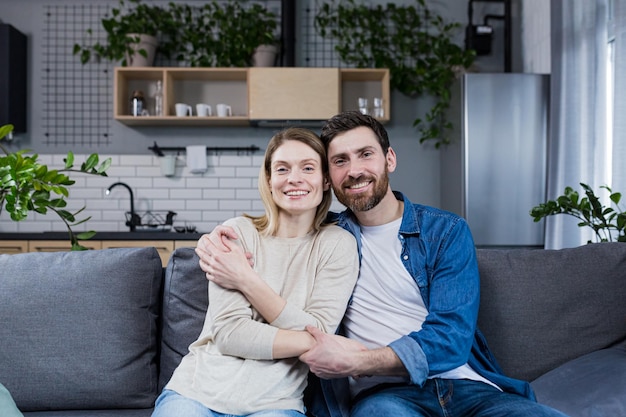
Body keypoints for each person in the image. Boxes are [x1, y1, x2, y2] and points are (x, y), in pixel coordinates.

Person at [197, 111, 569, 417]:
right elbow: (271, 235)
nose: (354, 170)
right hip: (386, 397)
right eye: (340, 161)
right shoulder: (326, 239)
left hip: (468, 387)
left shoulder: (445, 232)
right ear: (329, 178)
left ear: (389, 158)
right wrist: (213, 241)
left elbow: (452, 337)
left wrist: (360, 361)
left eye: (365, 155)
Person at [153, 127, 359, 417]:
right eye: (282, 169)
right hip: (196, 392)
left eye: (308, 168)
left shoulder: (338, 245)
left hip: (275, 403)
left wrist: (245, 279)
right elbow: (229, 333)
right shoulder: (238, 232)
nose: (294, 178)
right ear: (269, 179)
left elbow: (322, 329)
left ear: (325, 180)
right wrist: (310, 337)